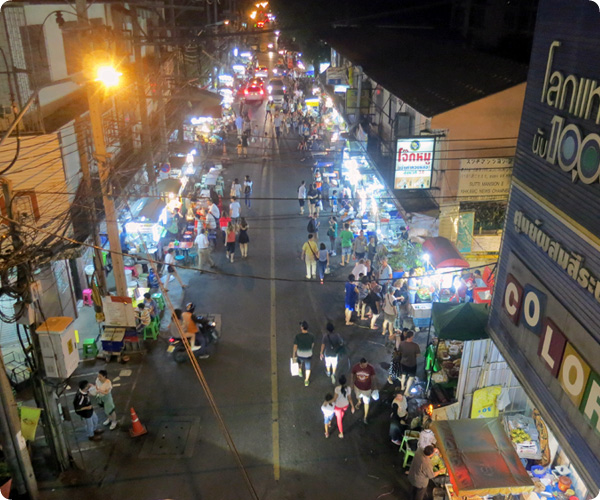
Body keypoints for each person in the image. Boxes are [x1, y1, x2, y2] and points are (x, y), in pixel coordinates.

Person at [351, 357, 376, 424]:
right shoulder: (356, 367)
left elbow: (373, 377)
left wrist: (374, 386)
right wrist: (352, 383)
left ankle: (365, 416)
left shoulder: (370, 368)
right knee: (358, 397)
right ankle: (359, 402)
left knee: (366, 402)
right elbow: (352, 374)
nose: (365, 366)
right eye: (364, 365)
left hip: (367, 389)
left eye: (366, 364)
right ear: (360, 364)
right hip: (357, 387)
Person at [293, 321, 315, 387]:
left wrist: (294, 355)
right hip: (308, 355)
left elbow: (295, 347)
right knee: (308, 368)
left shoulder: (298, 336)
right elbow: (312, 345)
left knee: (299, 362)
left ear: (302, 328)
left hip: (300, 354)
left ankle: (300, 371)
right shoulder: (311, 336)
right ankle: (306, 381)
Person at [332, 375, 355, 439]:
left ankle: (341, 433)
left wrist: (328, 402)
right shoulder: (348, 388)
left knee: (339, 420)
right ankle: (341, 414)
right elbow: (349, 398)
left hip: (338, 406)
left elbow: (334, 399)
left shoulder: (337, 388)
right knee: (342, 413)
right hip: (346, 405)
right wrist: (352, 406)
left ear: (339, 381)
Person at [399, 330, 421, 394]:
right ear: (411, 337)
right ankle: (406, 391)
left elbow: (400, 352)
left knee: (403, 376)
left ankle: (402, 387)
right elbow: (418, 355)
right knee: (411, 377)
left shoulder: (402, 343)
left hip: (403, 363)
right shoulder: (415, 345)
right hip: (412, 364)